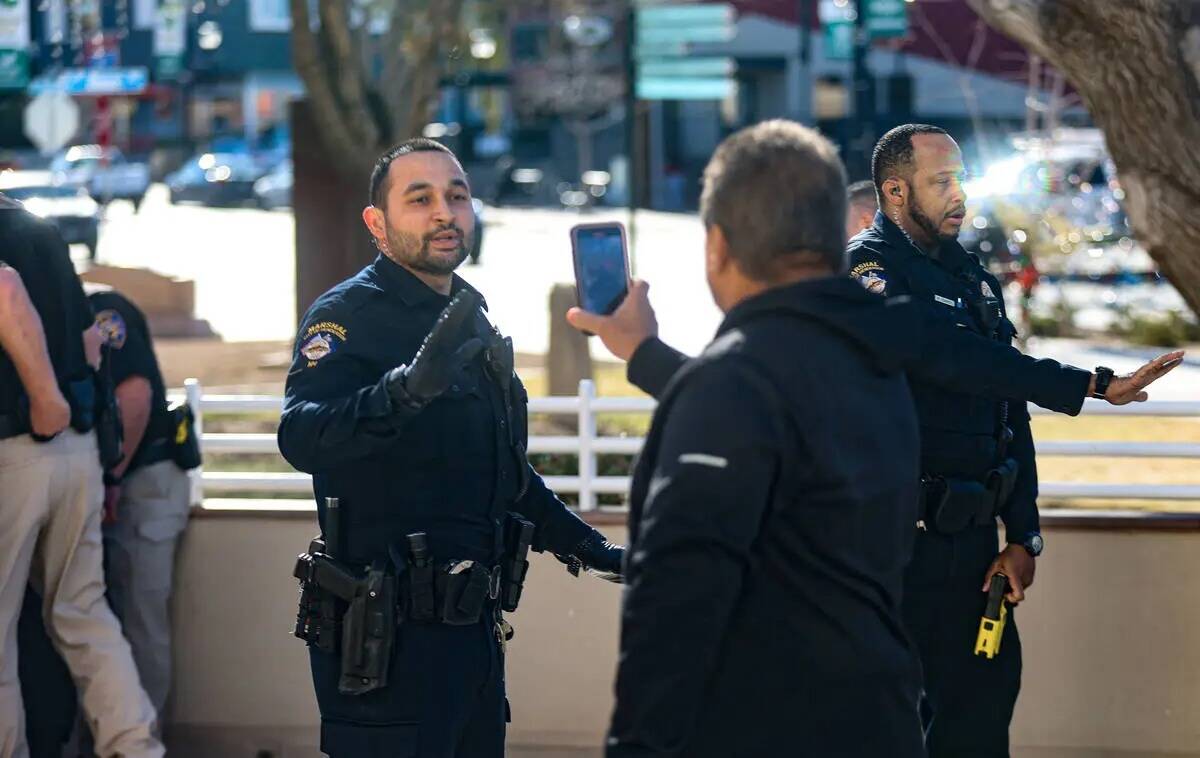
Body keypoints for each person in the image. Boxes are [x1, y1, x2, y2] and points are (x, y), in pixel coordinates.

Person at [570, 128, 1182, 758]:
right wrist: (1090, 382)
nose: (959, 194)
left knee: (977, 723)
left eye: (959, 178)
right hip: (893, 581)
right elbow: (940, 356)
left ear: (718, 248)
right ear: (887, 194)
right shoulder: (871, 288)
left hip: (964, 564)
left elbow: (1000, 397)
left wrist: (1022, 534)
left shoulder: (964, 282)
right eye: (941, 180)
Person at [277, 138, 624, 758]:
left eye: (457, 196)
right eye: (421, 198)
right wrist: (401, 393)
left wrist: (594, 550)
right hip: (385, 647)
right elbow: (301, 435)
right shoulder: (348, 315)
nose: (445, 212)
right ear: (377, 224)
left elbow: (506, 477)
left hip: (471, 643)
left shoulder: (471, 319)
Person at [602, 120, 927, 756]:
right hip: (883, 722)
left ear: (717, 246)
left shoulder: (738, 380)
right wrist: (643, 354)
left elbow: (674, 608)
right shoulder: (876, 362)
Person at [0, 196, 162, 757]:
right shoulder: (39, 229)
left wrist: (44, 399)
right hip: (75, 449)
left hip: (17, 443)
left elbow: (3, 293)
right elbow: (92, 344)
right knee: (83, 613)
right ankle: (135, 748)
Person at [89, 284, 193, 723]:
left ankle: (140, 743)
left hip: (141, 480)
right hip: (117, 483)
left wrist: (111, 478)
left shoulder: (100, 308)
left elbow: (134, 395)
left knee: (140, 623)